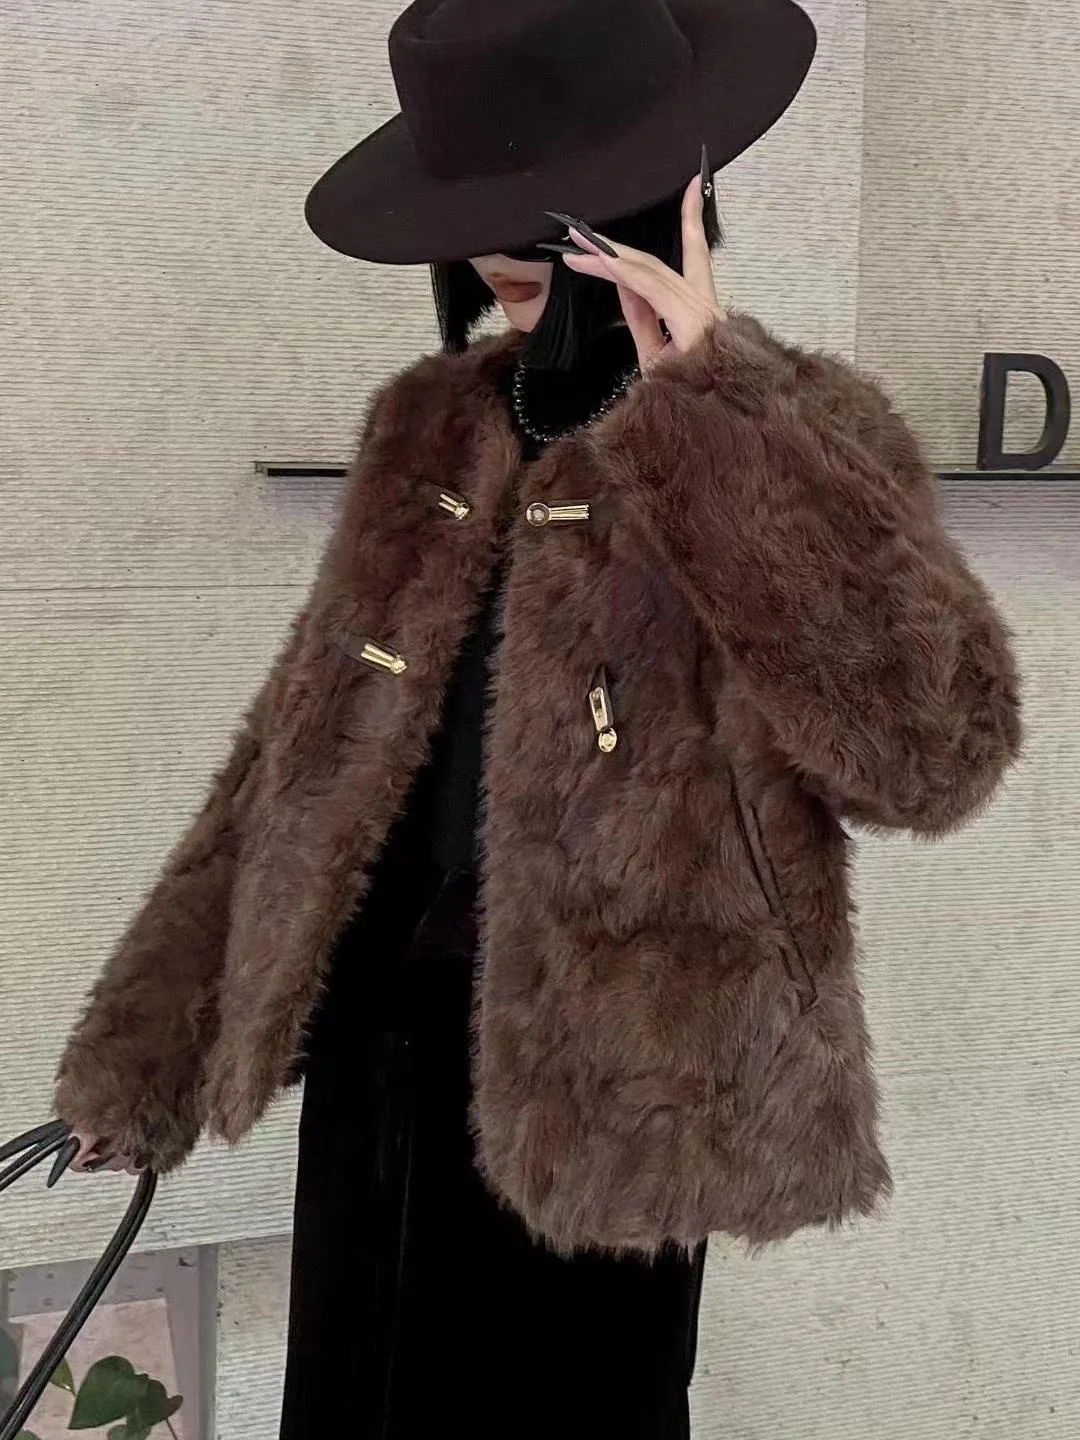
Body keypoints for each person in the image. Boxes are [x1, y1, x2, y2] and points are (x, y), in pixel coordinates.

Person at [52, 1, 1022, 1436]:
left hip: (627, 1086)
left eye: (546, 211)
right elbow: (291, 754)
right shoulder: (430, 428)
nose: (502, 256)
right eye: (477, 217)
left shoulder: (797, 433)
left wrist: (709, 412)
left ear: (663, 196)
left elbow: (932, 755)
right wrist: (146, 1057)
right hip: (380, 1057)